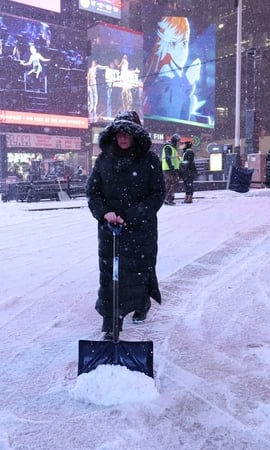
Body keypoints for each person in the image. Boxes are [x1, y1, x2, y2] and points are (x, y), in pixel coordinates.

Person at [86, 110, 165, 340]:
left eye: (127, 134)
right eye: (119, 133)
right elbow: (93, 192)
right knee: (110, 276)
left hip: (140, 229)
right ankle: (111, 323)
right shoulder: (103, 160)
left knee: (139, 271)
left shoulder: (150, 161)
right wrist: (105, 213)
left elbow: (157, 194)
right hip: (110, 229)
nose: (122, 138)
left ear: (135, 136)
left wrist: (132, 215)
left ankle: (141, 304)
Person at [142, 17, 206, 123]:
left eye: (184, 43)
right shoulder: (163, 81)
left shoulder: (171, 78)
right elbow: (171, 116)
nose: (181, 49)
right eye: (174, 43)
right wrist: (186, 82)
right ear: (166, 46)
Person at [161, 134, 182, 205]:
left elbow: (173, 158)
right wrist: (172, 168)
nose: (179, 142)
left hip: (170, 168)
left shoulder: (172, 147)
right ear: (175, 140)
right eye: (178, 141)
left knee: (169, 183)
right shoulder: (168, 147)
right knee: (175, 182)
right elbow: (168, 158)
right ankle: (168, 198)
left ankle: (166, 198)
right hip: (169, 169)